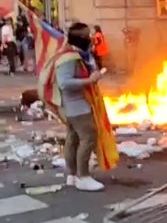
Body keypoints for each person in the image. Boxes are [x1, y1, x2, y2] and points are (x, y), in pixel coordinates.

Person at [41, 22, 119, 191]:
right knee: (88, 138)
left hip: (73, 105)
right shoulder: (69, 58)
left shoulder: (72, 54)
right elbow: (65, 83)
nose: (89, 38)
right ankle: (83, 177)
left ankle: (72, 175)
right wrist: (90, 80)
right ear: (78, 38)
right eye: (86, 36)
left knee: (73, 138)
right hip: (77, 106)